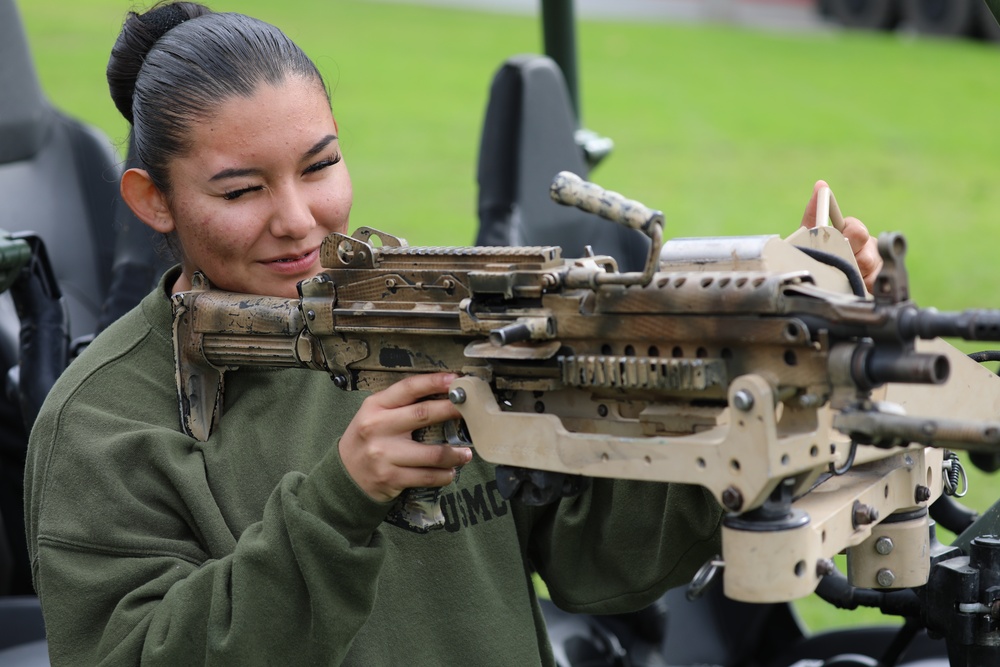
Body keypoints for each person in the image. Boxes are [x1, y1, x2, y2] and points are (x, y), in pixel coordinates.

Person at [23, 3, 882, 665]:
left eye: (320, 166)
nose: (298, 220)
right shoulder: (102, 426)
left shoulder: (426, 315)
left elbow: (594, 559)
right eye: (242, 190)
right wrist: (340, 500)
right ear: (151, 200)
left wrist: (766, 382)